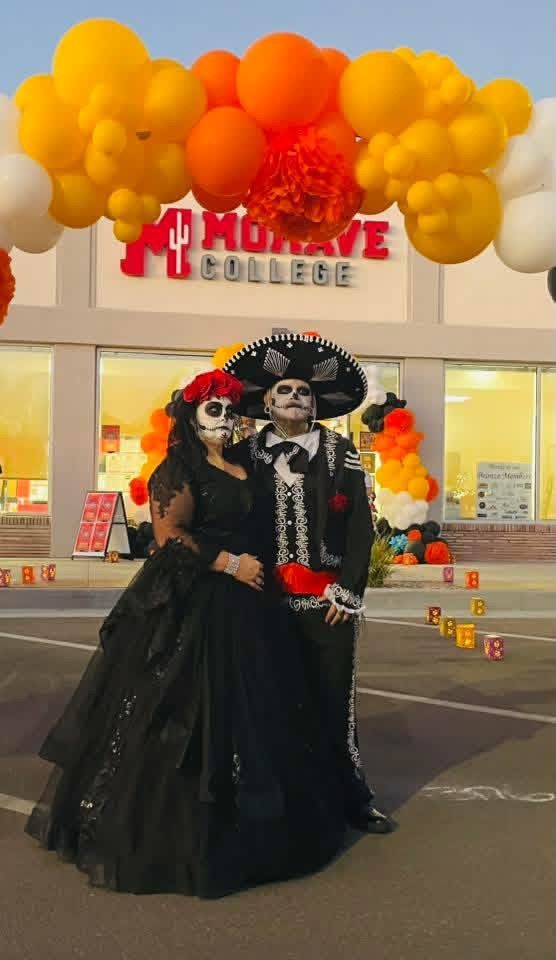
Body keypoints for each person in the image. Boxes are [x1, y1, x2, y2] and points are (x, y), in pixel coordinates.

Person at [26, 369, 346, 898]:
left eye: (231, 410)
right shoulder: (179, 468)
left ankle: (258, 826)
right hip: (198, 599)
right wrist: (228, 563)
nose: (225, 418)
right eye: (213, 409)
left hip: (253, 604)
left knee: (257, 711)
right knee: (182, 709)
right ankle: (178, 832)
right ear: (192, 416)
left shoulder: (243, 463)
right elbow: (170, 535)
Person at [225, 333, 394, 834]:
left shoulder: (341, 452)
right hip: (263, 603)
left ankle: (351, 796)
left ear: (315, 403)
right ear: (267, 401)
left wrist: (351, 590)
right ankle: (277, 802)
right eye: (285, 389)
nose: (295, 396)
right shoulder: (244, 454)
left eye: (304, 391)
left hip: (327, 603)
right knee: (268, 702)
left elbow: (361, 528)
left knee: (334, 702)